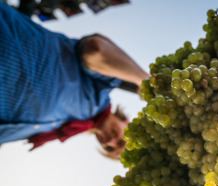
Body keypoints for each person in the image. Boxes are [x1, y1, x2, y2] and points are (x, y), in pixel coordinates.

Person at [0, 2, 150, 159]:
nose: (110, 142)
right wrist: (144, 81)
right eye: (121, 142)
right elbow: (96, 50)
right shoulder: (101, 89)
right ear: (128, 124)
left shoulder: (63, 128)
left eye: (110, 149)